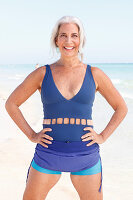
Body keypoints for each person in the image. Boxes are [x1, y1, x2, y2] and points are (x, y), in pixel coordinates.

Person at [5, 16, 128, 200]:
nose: (69, 41)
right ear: (56, 40)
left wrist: (102, 136)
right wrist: (31, 135)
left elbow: (121, 107)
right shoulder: (42, 73)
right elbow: (11, 103)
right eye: (63, 35)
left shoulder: (95, 74)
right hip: (48, 153)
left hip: (86, 155)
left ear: (80, 40)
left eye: (74, 35)